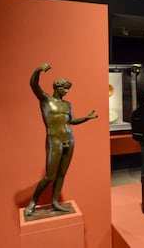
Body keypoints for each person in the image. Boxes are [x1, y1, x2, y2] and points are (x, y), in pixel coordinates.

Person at [24, 63, 98, 216]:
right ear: (56, 87)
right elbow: (33, 84)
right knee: (50, 175)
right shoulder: (46, 100)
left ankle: (55, 202)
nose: (66, 91)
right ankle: (32, 202)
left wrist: (86, 118)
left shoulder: (67, 105)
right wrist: (38, 70)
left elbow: (71, 121)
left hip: (69, 139)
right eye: (64, 88)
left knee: (62, 174)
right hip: (54, 140)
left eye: (67, 88)